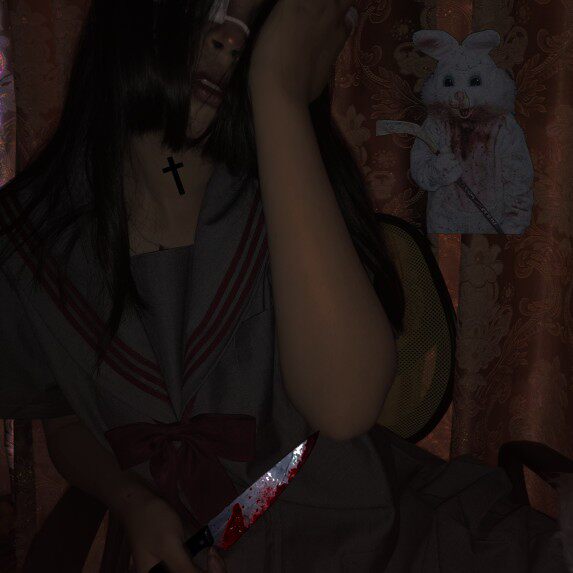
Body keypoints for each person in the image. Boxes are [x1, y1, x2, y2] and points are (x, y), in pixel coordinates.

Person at [0, 1, 569, 572]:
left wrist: (278, 93)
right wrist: (132, 501)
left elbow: (344, 406)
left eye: (255, 21)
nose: (229, 39)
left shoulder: (286, 191)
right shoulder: (30, 242)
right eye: (214, 6)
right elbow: (64, 416)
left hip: (374, 535)